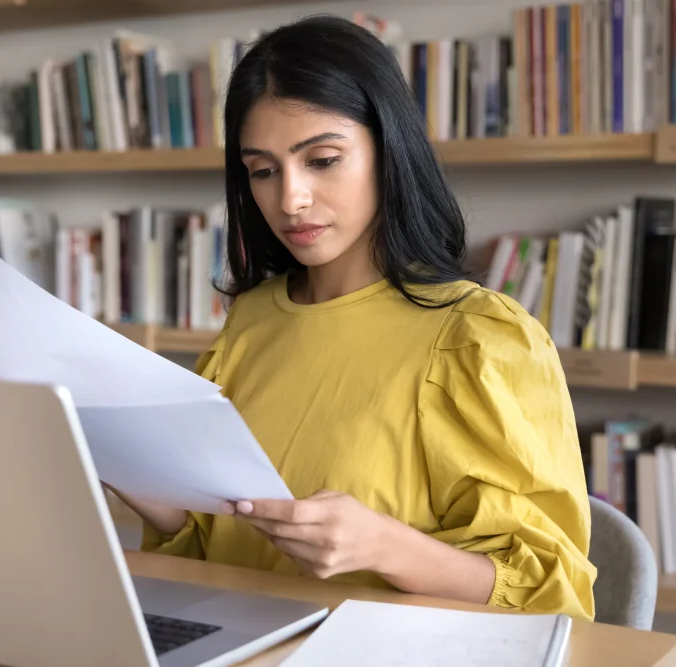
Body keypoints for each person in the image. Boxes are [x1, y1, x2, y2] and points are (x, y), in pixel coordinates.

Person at [111, 14, 596, 620]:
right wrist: (131, 474)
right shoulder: (250, 323)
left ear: (388, 151)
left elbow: (554, 594)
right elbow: (218, 550)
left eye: (322, 159)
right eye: (262, 171)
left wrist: (386, 547)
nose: (290, 199)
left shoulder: (479, 339)